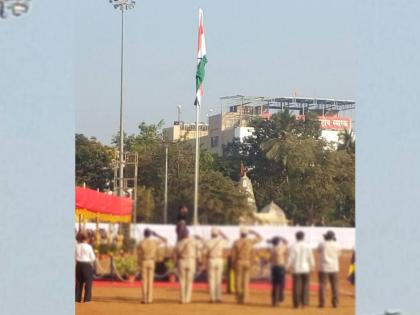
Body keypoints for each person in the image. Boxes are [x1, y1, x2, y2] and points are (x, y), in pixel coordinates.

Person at [231, 227, 262, 304]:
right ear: (246, 234)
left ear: (240, 234)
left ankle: (239, 298)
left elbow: (233, 255)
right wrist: (253, 232)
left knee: (238, 281)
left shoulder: (236, 242)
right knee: (246, 281)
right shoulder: (250, 241)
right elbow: (260, 238)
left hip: (239, 262)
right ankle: (245, 299)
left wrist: (233, 263)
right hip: (248, 262)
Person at [136, 228, 167, 304]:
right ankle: (149, 299)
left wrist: (139, 263)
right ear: (150, 234)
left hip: (144, 261)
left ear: (144, 234)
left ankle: (144, 299)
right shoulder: (154, 241)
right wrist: (156, 234)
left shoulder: (141, 242)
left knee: (144, 281)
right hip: (152, 261)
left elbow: (138, 254)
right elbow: (165, 240)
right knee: (150, 281)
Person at [286, 231, 315, 309]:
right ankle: (305, 303)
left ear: (296, 237)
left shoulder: (292, 246)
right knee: (305, 286)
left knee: (296, 286)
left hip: (296, 269)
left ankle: (297, 303)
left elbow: (290, 258)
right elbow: (311, 258)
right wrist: (312, 266)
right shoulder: (308, 246)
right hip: (306, 269)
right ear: (303, 237)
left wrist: (287, 267)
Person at [174, 227, 201, 304]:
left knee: (182, 281)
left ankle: (182, 299)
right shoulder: (193, 241)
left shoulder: (179, 243)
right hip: (191, 261)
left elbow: (176, 253)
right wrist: (199, 260)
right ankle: (187, 299)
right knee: (189, 281)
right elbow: (199, 249)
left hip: (182, 261)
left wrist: (175, 263)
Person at [318, 230, 341, 308]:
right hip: (334, 267)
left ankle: (322, 303)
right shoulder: (337, 244)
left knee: (322, 286)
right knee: (335, 286)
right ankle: (335, 303)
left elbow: (318, 250)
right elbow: (339, 254)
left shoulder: (322, 244)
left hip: (324, 267)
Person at [205, 227, 229, 303]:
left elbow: (205, 252)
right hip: (219, 260)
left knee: (212, 280)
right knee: (218, 280)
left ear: (211, 234)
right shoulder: (220, 241)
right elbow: (228, 239)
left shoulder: (208, 242)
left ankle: (212, 298)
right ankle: (219, 297)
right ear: (217, 234)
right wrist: (221, 233)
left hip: (211, 260)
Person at [75, 231, 96, 303]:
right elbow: (93, 258)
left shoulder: (77, 246)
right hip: (86, 264)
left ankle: (77, 299)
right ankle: (87, 299)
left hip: (78, 264)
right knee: (88, 282)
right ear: (87, 239)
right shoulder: (88, 247)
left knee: (78, 282)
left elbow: (74, 256)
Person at [267, 236, 288, 307]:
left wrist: (270, 241)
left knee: (274, 284)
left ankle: (273, 300)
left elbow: (269, 259)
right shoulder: (281, 248)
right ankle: (280, 300)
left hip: (273, 268)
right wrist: (281, 237)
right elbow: (286, 242)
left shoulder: (272, 249)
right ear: (278, 242)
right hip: (280, 267)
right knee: (281, 284)